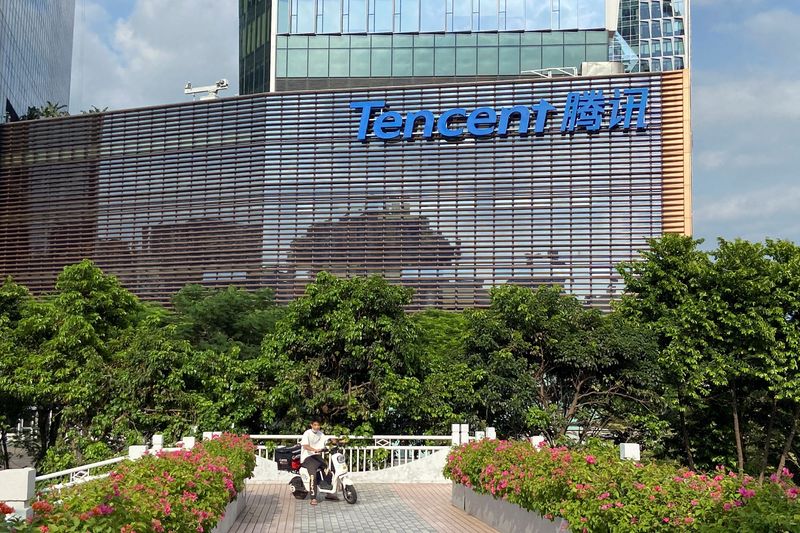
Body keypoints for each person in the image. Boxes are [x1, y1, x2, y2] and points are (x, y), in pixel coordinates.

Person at [300, 418, 328, 505]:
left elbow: (327, 441)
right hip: (307, 457)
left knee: (328, 470)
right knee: (313, 476)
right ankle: (313, 498)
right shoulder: (307, 433)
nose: (317, 427)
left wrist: (338, 441)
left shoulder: (321, 434)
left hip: (317, 457)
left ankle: (330, 493)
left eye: (318, 425)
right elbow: (305, 446)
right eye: (315, 425)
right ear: (311, 425)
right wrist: (314, 450)